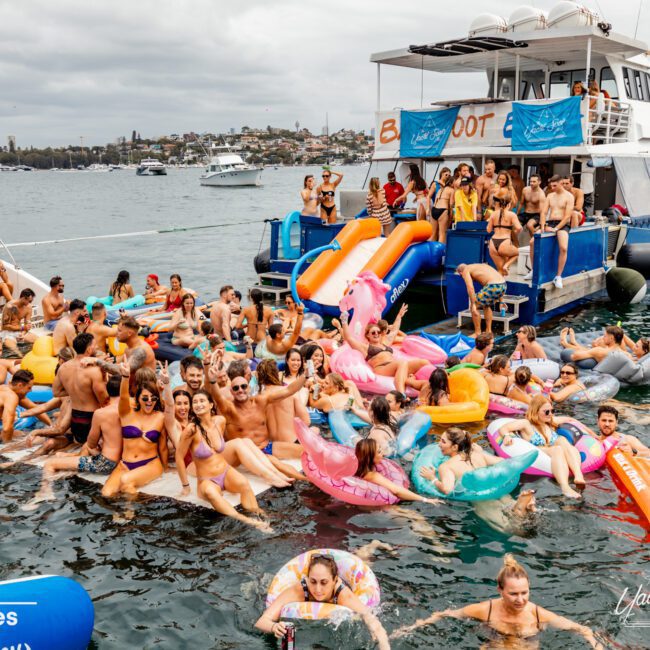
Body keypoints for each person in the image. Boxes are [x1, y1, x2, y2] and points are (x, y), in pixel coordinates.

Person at [392, 554, 603, 648]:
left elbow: (583, 630)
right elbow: (445, 614)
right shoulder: (485, 610)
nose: (521, 599)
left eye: (525, 592)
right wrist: (412, 627)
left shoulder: (539, 614)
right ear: (500, 590)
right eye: (514, 594)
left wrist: (596, 646)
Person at [174, 388, 272, 531]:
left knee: (244, 484)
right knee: (211, 493)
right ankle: (246, 521)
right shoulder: (191, 430)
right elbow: (178, 456)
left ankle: (259, 513)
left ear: (211, 405)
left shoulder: (220, 421)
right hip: (207, 480)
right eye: (194, 402)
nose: (198, 404)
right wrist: (185, 486)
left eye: (202, 401)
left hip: (225, 472)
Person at [255, 552, 390, 650]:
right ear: (307, 578)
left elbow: (371, 619)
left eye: (324, 582)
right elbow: (261, 621)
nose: (317, 589)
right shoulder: (299, 590)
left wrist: (384, 644)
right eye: (313, 581)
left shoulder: (343, 595)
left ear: (335, 580)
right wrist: (274, 627)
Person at [206, 348, 307, 464]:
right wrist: (212, 380)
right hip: (248, 453)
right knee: (276, 464)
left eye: (243, 387)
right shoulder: (229, 407)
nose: (240, 390)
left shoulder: (259, 400)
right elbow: (216, 397)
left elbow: (289, 390)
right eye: (236, 388)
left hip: (267, 446)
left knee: (306, 453)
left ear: (248, 387)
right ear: (231, 391)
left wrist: (305, 375)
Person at [33, 376, 123, 502]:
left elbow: (91, 443)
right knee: (66, 456)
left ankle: (45, 492)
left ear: (107, 391)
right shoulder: (131, 409)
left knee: (50, 464)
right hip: (123, 461)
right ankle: (70, 463)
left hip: (106, 463)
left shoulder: (101, 413)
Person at [499, 395, 585, 498]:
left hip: (555, 453)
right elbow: (504, 428)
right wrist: (507, 436)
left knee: (563, 441)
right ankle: (565, 487)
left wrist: (595, 436)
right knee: (557, 449)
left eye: (552, 411)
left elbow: (570, 420)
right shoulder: (526, 424)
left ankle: (578, 475)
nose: (550, 414)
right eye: (547, 412)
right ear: (536, 411)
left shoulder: (550, 422)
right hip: (540, 453)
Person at [102, 363, 167, 498]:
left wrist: (166, 468)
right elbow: (124, 397)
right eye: (145, 398)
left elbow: (163, 447)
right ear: (137, 398)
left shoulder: (160, 417)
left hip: (150, 463)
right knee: (106, 494)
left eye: (153, 398)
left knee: (126, 482)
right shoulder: (126, 414)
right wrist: (125, 377)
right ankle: (119, 516)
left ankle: (130, 517)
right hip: (125, 464)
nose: (149, 401)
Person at [340, 312, 428, 395]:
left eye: (378, 332)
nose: (376, 334)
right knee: (402, 362)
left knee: (423, 362)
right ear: (368, 335)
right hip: (381, 368)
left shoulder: (385, 343)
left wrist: (399, 316)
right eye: (373, 332)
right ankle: (401, 394)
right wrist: (344, 321)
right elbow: (349, 338)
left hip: (394, 367)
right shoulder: (365, 347)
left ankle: (435, 384)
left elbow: (394, 331)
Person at [53, 333, 108, 446]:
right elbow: (104, 398)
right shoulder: (93, 370)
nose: (97, 347)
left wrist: (76, 392)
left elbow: (56, 392)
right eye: (95, 345)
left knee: (79, 446)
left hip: (75, 418)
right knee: (93, 450)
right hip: (92, 418)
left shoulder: (63, 367)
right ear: (89, 349)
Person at [525, 174, 574, 289]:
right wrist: (542, 226)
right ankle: (533, 270)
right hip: (550, 224)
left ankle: (558, 276)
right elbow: (543, 212)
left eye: (555, 185)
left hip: (562, 224)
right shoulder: (550, 196)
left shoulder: (569, 196)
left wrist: (557, 229)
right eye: (551, 185)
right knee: (532, 242)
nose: (552, 188)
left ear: (561, 184)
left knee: (563, 247)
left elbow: (567, 217)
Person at [355, 437, 439, 504]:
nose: (383, 453)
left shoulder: (359, 468)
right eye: (379, 452)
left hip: (370, 500)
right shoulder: (372, 476)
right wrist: (425, 499)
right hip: (380, 506)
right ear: (370, 458)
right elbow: (396, 490)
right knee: (417, 519)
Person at [256, 359, 310, 444]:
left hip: (273, 445)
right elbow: (306, 420)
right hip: (292, 442)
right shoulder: (289, 393)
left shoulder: (257, 398)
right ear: (277, 374)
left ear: (259, 376)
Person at [456, 263, 507, 337]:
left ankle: (477, 333)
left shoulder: (466, 270)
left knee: (474, 306)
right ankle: (488, 331)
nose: (462, 277)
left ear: (460, 272)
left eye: (461, 276)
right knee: (486, 305)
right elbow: (497, 282)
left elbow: (470, 287)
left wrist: (473, 304)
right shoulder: (480, 266)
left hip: (493, 286)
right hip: (503, 285)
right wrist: (501, 301)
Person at [487, 197, 522, 276]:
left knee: (500, 271)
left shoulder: (493, 214)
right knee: (517, 253)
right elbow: (519, 228)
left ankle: (498, 286)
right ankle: (506, 265)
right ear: (508, 204)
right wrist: (514, 231)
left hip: (493, 243)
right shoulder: (511, 214)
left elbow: (488, 230)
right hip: (504, 242)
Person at [560, 325, 628, 364]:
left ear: (611, 338)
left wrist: (593, 350)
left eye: (604, 336)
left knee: (590, 351)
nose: (603, 338)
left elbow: (574, 356)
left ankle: (565, 343)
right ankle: (573, 342)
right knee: (591, 351)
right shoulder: (627, 355)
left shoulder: (599, 350)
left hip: (600, 366)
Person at [0, 370, 36, 443]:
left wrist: (50, 425)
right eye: (29, 388)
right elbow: (7, 428)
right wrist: (7, 447)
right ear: (19, 385)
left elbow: (36, 409)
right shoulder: (12, 397)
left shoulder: (3, 387)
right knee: (20, 434)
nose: (31, 391)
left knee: (17, 433)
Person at [429, 173, 454, 243]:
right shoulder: (451, 190)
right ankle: (441, 253)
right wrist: (451, 216)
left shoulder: (440, 190)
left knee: (433, 235)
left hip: (433, 210)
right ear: (451, 183)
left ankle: (431, 253)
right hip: (443, 210)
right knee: (442, 234)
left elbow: (435, 201)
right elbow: (451, 204)